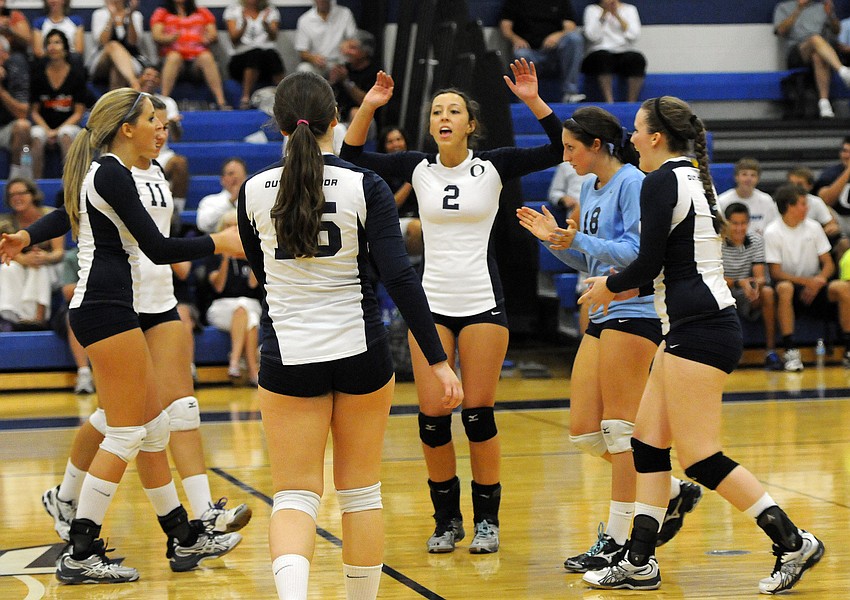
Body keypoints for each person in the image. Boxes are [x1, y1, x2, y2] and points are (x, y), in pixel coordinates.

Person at [578, 95, 824, 594]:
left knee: (701, 458)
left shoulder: (659, 180)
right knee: (647, 445)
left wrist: (607, 287)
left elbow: (647, 263)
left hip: (702, 328)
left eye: (637, 129)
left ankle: (793, 540)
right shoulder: (690, 175)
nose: (631, 138)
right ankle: (640, 561)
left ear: (655, 137)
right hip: (690, 326)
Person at [0, 88, 244, 584]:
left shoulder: (115, 172)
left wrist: (26, 235)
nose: (161, 127)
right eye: (153, 119)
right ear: (126, 128)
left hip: (114, 307)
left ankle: (182, 535)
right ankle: (81, 548)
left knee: (152, 428)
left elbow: (80, 217)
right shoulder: (111, 171)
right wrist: (220, 242)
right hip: (105, 308)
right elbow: (157, 248)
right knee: (127, 431)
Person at [237, 71, 462, 600]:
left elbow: (261, 275)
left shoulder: (252, 190)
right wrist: (438, 360)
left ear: (279, 126)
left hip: (288, 352)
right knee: (360, 493)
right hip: (360, 349)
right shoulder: (366, 185)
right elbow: (400, 278)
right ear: (335, 120)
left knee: (295, 496)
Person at [341, 60, 563, 555]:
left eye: (453, 110)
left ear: (470, 124)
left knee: (478, 416)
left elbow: (557, 148)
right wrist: (369, 106)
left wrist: (532, 99)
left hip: (483, 304)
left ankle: (488, 522)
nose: (444, 116)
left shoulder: (493, 165)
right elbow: (350, 157)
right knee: (433, 418)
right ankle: (446, 521)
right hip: (431, 307)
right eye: (437, 111)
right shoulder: (417, 167)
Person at [515, 106, 700, 573]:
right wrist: (557, 240)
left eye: (571, 148)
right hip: (602, 309)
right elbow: (592, 262)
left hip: (635, 310)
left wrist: (576, 240)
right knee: (585, 431)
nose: (566, 157)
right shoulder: (587, 187)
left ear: (596, 145)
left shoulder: (633, 183)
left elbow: (639, 255)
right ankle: (670, 490)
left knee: (620, 433)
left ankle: (617, 541)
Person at [764, 183, 850, 371]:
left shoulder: (813, 227)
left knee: (843, 288)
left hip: (815, 284)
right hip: (791, 287)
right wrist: (808, 282)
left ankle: (848, 348)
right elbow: (776, 272)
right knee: (784, 288)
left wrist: (818, 281)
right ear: (789, 206)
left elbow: (828, 263)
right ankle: (790, 350)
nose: (807, 208)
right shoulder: (772, 231)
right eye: (803, 204)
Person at [722, 202, 781, 370]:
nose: (739, 228)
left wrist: (754, 286)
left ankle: (771, 351)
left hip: (746, 290)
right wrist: (739, 282)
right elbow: (714, 278)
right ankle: (725, 353)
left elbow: (760, 276)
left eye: (743, 223)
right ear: (726, 223)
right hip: (723, 291)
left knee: (767, 292)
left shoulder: (756, 240)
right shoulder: (716, 242)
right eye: (735, 223)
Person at [205, 209, 261, 385]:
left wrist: (251, 256)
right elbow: (218, 287)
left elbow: (253, 284)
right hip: (221, 306)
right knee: (247, 316)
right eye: (229, 226)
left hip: (250, 304)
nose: (234, 230)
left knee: (245, 311)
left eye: (237, 226)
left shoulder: (253, 253)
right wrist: (225, 259)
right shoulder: (214, 255)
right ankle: (253, 372)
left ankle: (235, 363)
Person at [0, 178, 64, 328]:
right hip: (21, 264)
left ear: (33, 194)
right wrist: (24, 259)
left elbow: (59, 252)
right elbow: (4, 251)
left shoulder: (51, 215)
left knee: (39, 268)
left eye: (21, 193)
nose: (17, 198)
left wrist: (45, 257)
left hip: (50, 266)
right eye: (12, 195)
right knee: (8, 268)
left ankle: (38, 319)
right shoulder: (4, 223)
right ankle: (11, 318)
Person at [773, 0, 850, 119]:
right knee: (814, 39)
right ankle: (843, 71)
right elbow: (781, 31)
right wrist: (798, 9)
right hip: (797, 51)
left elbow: (836, 31)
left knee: (818, 56)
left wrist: (830, 15)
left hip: (820, 50)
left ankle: (824, 104)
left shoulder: (821, 7)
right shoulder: (783, 7)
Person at [499, 0, 585, 103]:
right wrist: (516, 39)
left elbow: (570, 26)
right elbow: (505, 27)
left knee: (574, 39)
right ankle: (526, 98)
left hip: (554, 53)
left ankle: (570, 93)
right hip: (529, 52)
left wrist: (557, 36)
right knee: (520, 54)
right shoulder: (515, 2)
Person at [150, 0, 231, 109]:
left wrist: (208, 38)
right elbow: (156, 36)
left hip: (196, 60)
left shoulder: (202, 12)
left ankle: (221, 102)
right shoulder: (162, 12)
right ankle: (163, 102)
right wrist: (169, 38)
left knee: (206, 57)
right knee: (174, 57)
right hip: (173, 58)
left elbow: (213, 34)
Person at [29, 29, 86, 180]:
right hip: (44, 126)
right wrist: (48, 131)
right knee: (35, 135)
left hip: (69, 125)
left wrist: (57, 131)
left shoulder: (77, 76)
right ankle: (35, 183)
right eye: (49, 43)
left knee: (65, 134)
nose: (52, 46)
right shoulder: (38, 76)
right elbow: (34, 112)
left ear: (65, 48)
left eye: (57, 42)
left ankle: (70, 183)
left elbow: (79, 113)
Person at [138, 64, 190, 210]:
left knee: (180, 163)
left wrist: (172, 124)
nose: (151, 79)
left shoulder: (167, 103)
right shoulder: (129, 100)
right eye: (148, 75)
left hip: (161, 154)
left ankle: (176, 210)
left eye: (156, 76)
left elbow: (177, 137)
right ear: (139, 77)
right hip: (136, 154)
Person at [224, 0, 284, 110]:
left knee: (272, 54)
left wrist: (266, 24)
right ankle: (245, 98)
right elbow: (233, 39)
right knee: (255, 54)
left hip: (266, 59)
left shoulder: (270, 11)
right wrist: (244, 25)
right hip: (241, 60)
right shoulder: (233, 10)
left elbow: (273, 37)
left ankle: (285, 95)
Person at [581, 0, 646, 103]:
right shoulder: (592, 10)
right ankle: (609, 101)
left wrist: (617, 16)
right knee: (603, 58)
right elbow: (592, 36)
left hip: (624, 50)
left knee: (637, 59)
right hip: (600, 50)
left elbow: (634, 35)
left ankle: (631, 102)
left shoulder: (630, 9)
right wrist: (603, 15)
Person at [787, 165, 848, 261]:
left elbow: (831, 225)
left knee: (843, 243)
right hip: (788, 240)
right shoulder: (781, 202)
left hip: (813, 242)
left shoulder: (816, 202)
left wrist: (828, 229)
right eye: (791, 184)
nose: (795, 188)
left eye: (799, 184)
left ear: (810, 186)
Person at [377, 125, 421, 257]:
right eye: (390, 141)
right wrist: (411, 180)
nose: (395, 144)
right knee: (417, 228)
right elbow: (391, 206)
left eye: (398, 139)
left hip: (419, 217)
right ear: (384, 146)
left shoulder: (418, 163)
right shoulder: (379, 172)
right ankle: (412, 266)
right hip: (393, 223)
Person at [88, 0, 146, 91]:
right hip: (102, 59)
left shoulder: (136, 15)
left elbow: (133, 42)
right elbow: (103, 42)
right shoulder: (99, 14)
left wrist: (130, 16)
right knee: (113, 45)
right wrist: (111, 17)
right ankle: (134, 82)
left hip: (130, 59)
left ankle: (116, 99)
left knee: (116, 68)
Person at [717, 157, 779, 238]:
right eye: (744, 174)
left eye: (753, 175)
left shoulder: (767, 201)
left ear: (758, 179)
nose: (748, 179)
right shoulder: (722, 201)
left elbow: (774, 229)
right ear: (736, 177)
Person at [294, 0, 357, 75]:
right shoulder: (304, 20)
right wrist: (313, 58)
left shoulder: (345, 13)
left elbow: (353, 40)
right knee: (303, 69)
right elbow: (302, 51)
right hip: (318, 65)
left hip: (341, 63)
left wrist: (347, 46)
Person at [329, 31, 380, 124]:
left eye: (353, 48)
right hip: (340, 118)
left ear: (365, 52)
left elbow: (366, 102)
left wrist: (346, 81)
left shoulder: (376, 73)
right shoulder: (345, 67)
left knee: (355, 112)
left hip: (363, 121)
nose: (347, 52)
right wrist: (332, 80)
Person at [0, 35, 32, 180]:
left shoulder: (15, 72)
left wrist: (1, 90)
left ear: (6, 55)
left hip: (6, 130)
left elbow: (22, 113)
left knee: (23, 126)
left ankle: (17, 178)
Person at [196, 157, 248, 233]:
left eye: (240, 174)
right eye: (231, 174)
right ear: (222, 179)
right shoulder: (209, 201)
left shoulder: (253, 201)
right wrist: (230, 201)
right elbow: (203, 225)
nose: (235, 178)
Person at [32, 0, 84, 65]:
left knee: (76, 58)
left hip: (70, 61)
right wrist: (54, 54)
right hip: (47, 61)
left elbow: (79, 50)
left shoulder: (76, 21)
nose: (53, 1)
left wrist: (60, 55)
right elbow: (38, 51)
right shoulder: (39, 22)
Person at [813, 134, 850, 203]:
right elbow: (824, 201)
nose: (848, 156)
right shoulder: (829, 174)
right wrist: (848, 170)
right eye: (845, 151)